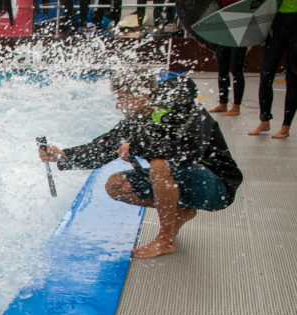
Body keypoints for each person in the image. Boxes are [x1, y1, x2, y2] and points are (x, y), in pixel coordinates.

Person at [39, 72, 243, 258]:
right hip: (188, 180)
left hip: (218, 186)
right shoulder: (136, 121)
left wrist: (137, 147)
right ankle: (183, 208)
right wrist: (64, 156)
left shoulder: (183, 110)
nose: (118, 106)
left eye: (122, 98)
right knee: (116, 185)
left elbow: (186, 151)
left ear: (142, 95)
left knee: (161, 164)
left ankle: (166, 239)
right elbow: (101, 149)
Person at [248, 0, 296, 139]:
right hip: (277, 22)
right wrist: (260, 32)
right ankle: (264, 121)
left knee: (293, 79)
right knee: (265, 74)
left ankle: (285, 127)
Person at [209, 44, 246, 116]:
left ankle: (236, 107)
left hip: (238, 39)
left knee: (236, 70)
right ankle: (223, 104)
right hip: (223, 37)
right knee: (222, 70)